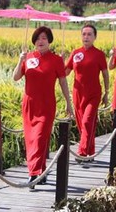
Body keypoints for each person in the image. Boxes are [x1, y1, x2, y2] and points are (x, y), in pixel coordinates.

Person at [12, 26, 74, 184]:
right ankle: (41, 170)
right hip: (29, 104)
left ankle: (33, 173)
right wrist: (20, 60)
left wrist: (68, 103)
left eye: (44, 38)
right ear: (34, 41)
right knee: (31, 139)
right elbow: (16, 77)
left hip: (46, 105)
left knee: (39, 138)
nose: (41, 41)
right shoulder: (28, 57)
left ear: (49, 41)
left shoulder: (56, 60)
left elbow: (63, 83)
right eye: (38, 38)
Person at [65, 25, 110, 158]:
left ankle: (82, 152)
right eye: (84, 34)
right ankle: (90, 151)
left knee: (87, 121)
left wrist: (106, 93)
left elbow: (105, 74)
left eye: (89, 34)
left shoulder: (99, 54)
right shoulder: (75, 53)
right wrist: (60, 61)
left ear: (95, 37)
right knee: (82, 124)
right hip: (78, 93)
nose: (86, 37)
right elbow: (65, 72)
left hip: (93, 94)